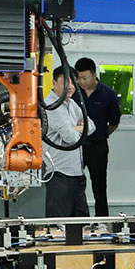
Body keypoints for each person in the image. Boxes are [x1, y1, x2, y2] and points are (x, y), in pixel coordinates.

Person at [72, 57, 121, 217]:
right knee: (74, 184)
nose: (82, 82)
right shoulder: (73, 94)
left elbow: (114, 122)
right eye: (79, 78)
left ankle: (102, 220)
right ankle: (77, 220)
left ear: (94, 75)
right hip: (76, 147)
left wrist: (101, 134)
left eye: (85, 78)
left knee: (99, 187)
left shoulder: (108, 94)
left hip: (98, 147)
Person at [40, 66, 88, 217]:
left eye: (73, 82)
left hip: (77, 172)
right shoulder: (51, 106)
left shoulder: (71, 104)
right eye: (65, 82)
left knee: (80, 222)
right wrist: (79, 128)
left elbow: (92, 126)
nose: (71, 87)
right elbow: (71, 138)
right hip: (59, 173)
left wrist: (74, 128)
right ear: (54, 82)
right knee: (58, 222)